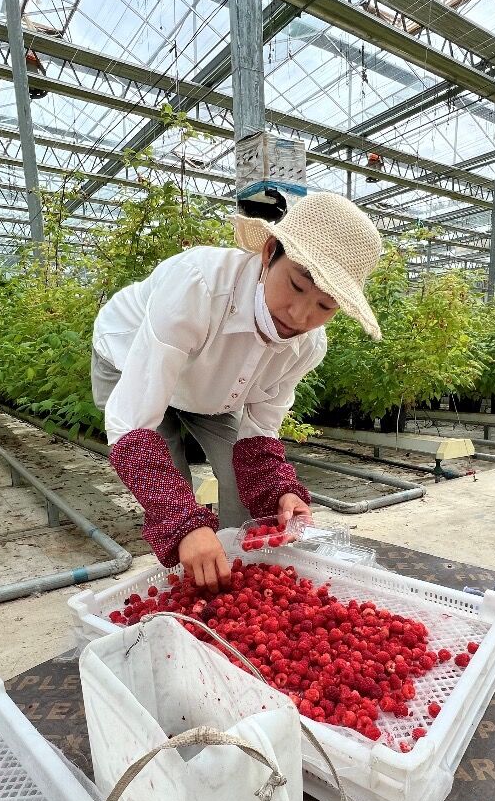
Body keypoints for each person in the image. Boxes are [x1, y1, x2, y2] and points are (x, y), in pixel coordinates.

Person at [91, 191, 383, 590]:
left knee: (248, 487)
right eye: (296, 286)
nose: (300, 316)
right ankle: (194, 579)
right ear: (269, 252)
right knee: (171, 490)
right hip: (131, 360)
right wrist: (183, 523)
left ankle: (235, 575)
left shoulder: (308, 346)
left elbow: (260, 432)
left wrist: (281, 492)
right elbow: (132, 423)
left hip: (211, 391)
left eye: (325, 306)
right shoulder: (198, 285)